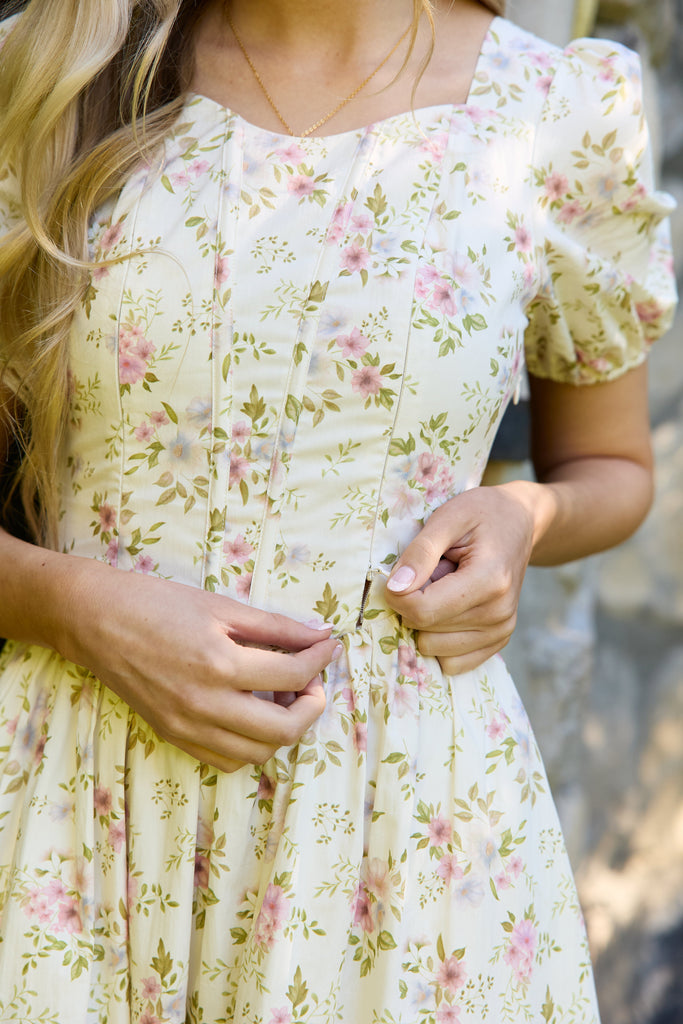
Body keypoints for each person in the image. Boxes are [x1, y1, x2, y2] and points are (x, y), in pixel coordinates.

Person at [0, 0, 676, 1020]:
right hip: (74, 809)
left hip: (404, 834)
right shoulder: (51, 74)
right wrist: (70, 605)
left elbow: (611, 464)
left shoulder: (557, 109)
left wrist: (524, 518)